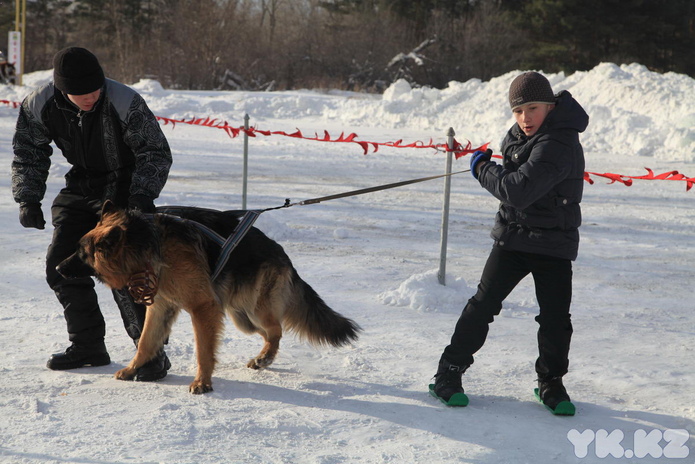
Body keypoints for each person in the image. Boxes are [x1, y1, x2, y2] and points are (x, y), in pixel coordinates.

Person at [11, 46, 173, 380]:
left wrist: (141, 196)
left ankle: (151, 354)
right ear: (61, 90)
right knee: (62, 267)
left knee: (126, 274)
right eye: (80, 93)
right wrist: (28, 198)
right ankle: (88, 346)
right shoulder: (39, 104)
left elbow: (155, 152)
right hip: (82, 187)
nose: (90, 97)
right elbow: (28, 153)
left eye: (95, 90)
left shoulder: (124, 101)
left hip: (126, 188)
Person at [431, 71, 589, 411]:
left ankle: (551, 382)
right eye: (518, 111)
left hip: (553, 243)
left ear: (549, 105)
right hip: (514, 238)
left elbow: (518, 189)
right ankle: (448, 372)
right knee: (483, 305)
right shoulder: (518, 134)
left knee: (555, 319)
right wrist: (492, 167)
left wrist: (482, 169)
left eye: (532, 108)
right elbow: (515, 182)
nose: (525, 118)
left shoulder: (560, 141)